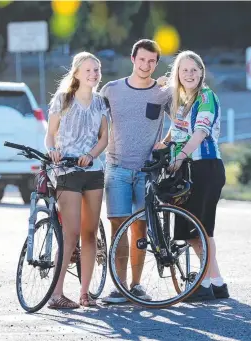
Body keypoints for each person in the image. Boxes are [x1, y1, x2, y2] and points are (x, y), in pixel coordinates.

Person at [100, 39, 171, 304]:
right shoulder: (111, 90)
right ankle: (118, 287)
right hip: (116, 168)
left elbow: (181, 121)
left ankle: (136, 285)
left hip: (146, 172)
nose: (146, 65)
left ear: (156, 63)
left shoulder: (164, 93)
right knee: (118, 228)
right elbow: (94, 121)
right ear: (133, 59)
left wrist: (164, 144)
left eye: (152, 61)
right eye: (142, 60)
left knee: (139, 229)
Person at [161, 50, 229, 301]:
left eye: (194, 69)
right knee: (193, 231)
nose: (189, 74)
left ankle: (203, 284)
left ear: (202, 72)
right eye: (184, 70)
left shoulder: (206, 97)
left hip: (205, 166)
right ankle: (217, 283)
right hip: (188, 168)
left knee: (201, 229)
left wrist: (179, 157)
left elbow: (200, 132)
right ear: (177, 74)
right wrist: (161, 146)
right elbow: (176, 130)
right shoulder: (183, 99)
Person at [45, 52, 109, 309]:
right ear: (77, 73)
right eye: (88, 70)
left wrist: (91, 155)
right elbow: (50, 135)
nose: (93, 74)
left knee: (90, 233)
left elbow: (104, 138)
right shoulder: (63, 100)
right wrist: (53, 152)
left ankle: (85, 294)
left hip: (93, 171)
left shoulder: (101, 102)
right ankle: (56, 294)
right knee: (69, 234)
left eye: (96, 70)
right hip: (67, 172)